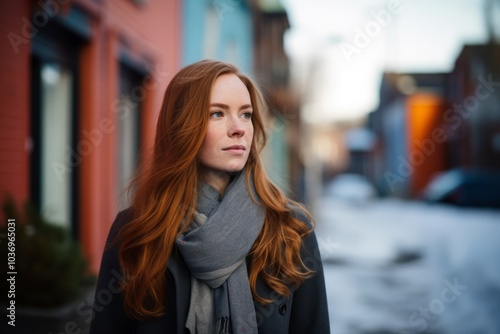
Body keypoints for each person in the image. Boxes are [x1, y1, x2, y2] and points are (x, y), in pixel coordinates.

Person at [89, 60, 330, 334]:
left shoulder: (291, 230)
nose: (238, 128)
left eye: (246, 114)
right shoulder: (136, 231)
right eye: (217, 114)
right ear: (182, 128)